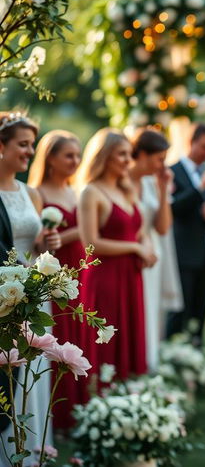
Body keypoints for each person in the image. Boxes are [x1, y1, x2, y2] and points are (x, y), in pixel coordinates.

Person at [0, 112, 60, 467]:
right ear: (1, 146)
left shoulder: (31, 193)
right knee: (8, 375)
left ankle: (34, 462)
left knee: (35, 375)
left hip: (36, 296)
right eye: (22, 144)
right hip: (5, 298)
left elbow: (34, 246)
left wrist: (44, 243)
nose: (29, 151)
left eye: (31, 144)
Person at [76, 128, 154, 381]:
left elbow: (139, 229)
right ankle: (100, 401)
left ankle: (128, 398)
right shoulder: (91, 192)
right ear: (104, 156)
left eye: (129, 154)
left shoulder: (126, 190)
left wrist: (147, 247)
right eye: (121, 154)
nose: (127, 161)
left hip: (132, 276)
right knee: (106, 343)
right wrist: (134, 248)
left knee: (130, 339)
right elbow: (91, 243)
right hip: (105, 278)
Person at [29, 129, 88, 429]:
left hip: (80, 271)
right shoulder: (37, 193)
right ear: (50, 158)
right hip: (55, 274)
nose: (75, 161)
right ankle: (59, 414)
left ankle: (78, 407)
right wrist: (78, 231)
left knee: (79, 335)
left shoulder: (76, 192)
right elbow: (38, 243)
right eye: (68, 155)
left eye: (78, 155)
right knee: (59, 335)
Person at [167, 123, 205, 346]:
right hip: (183, 254)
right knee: (180, 310)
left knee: (201, 311)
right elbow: (172, 209)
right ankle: (174, 353)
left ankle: (197, 356)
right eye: (204, 146)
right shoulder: (172, 172)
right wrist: (199, 188)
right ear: (191, 143)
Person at [129, 129, 182, 370]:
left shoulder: (153, 183)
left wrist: (163, 190)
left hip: (152, 255)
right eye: (159, 158)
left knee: (151, 315)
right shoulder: (122, 181)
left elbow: (162, 227)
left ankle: (148, 366)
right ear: (141, 154)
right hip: (130, 252)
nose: (163, 165)